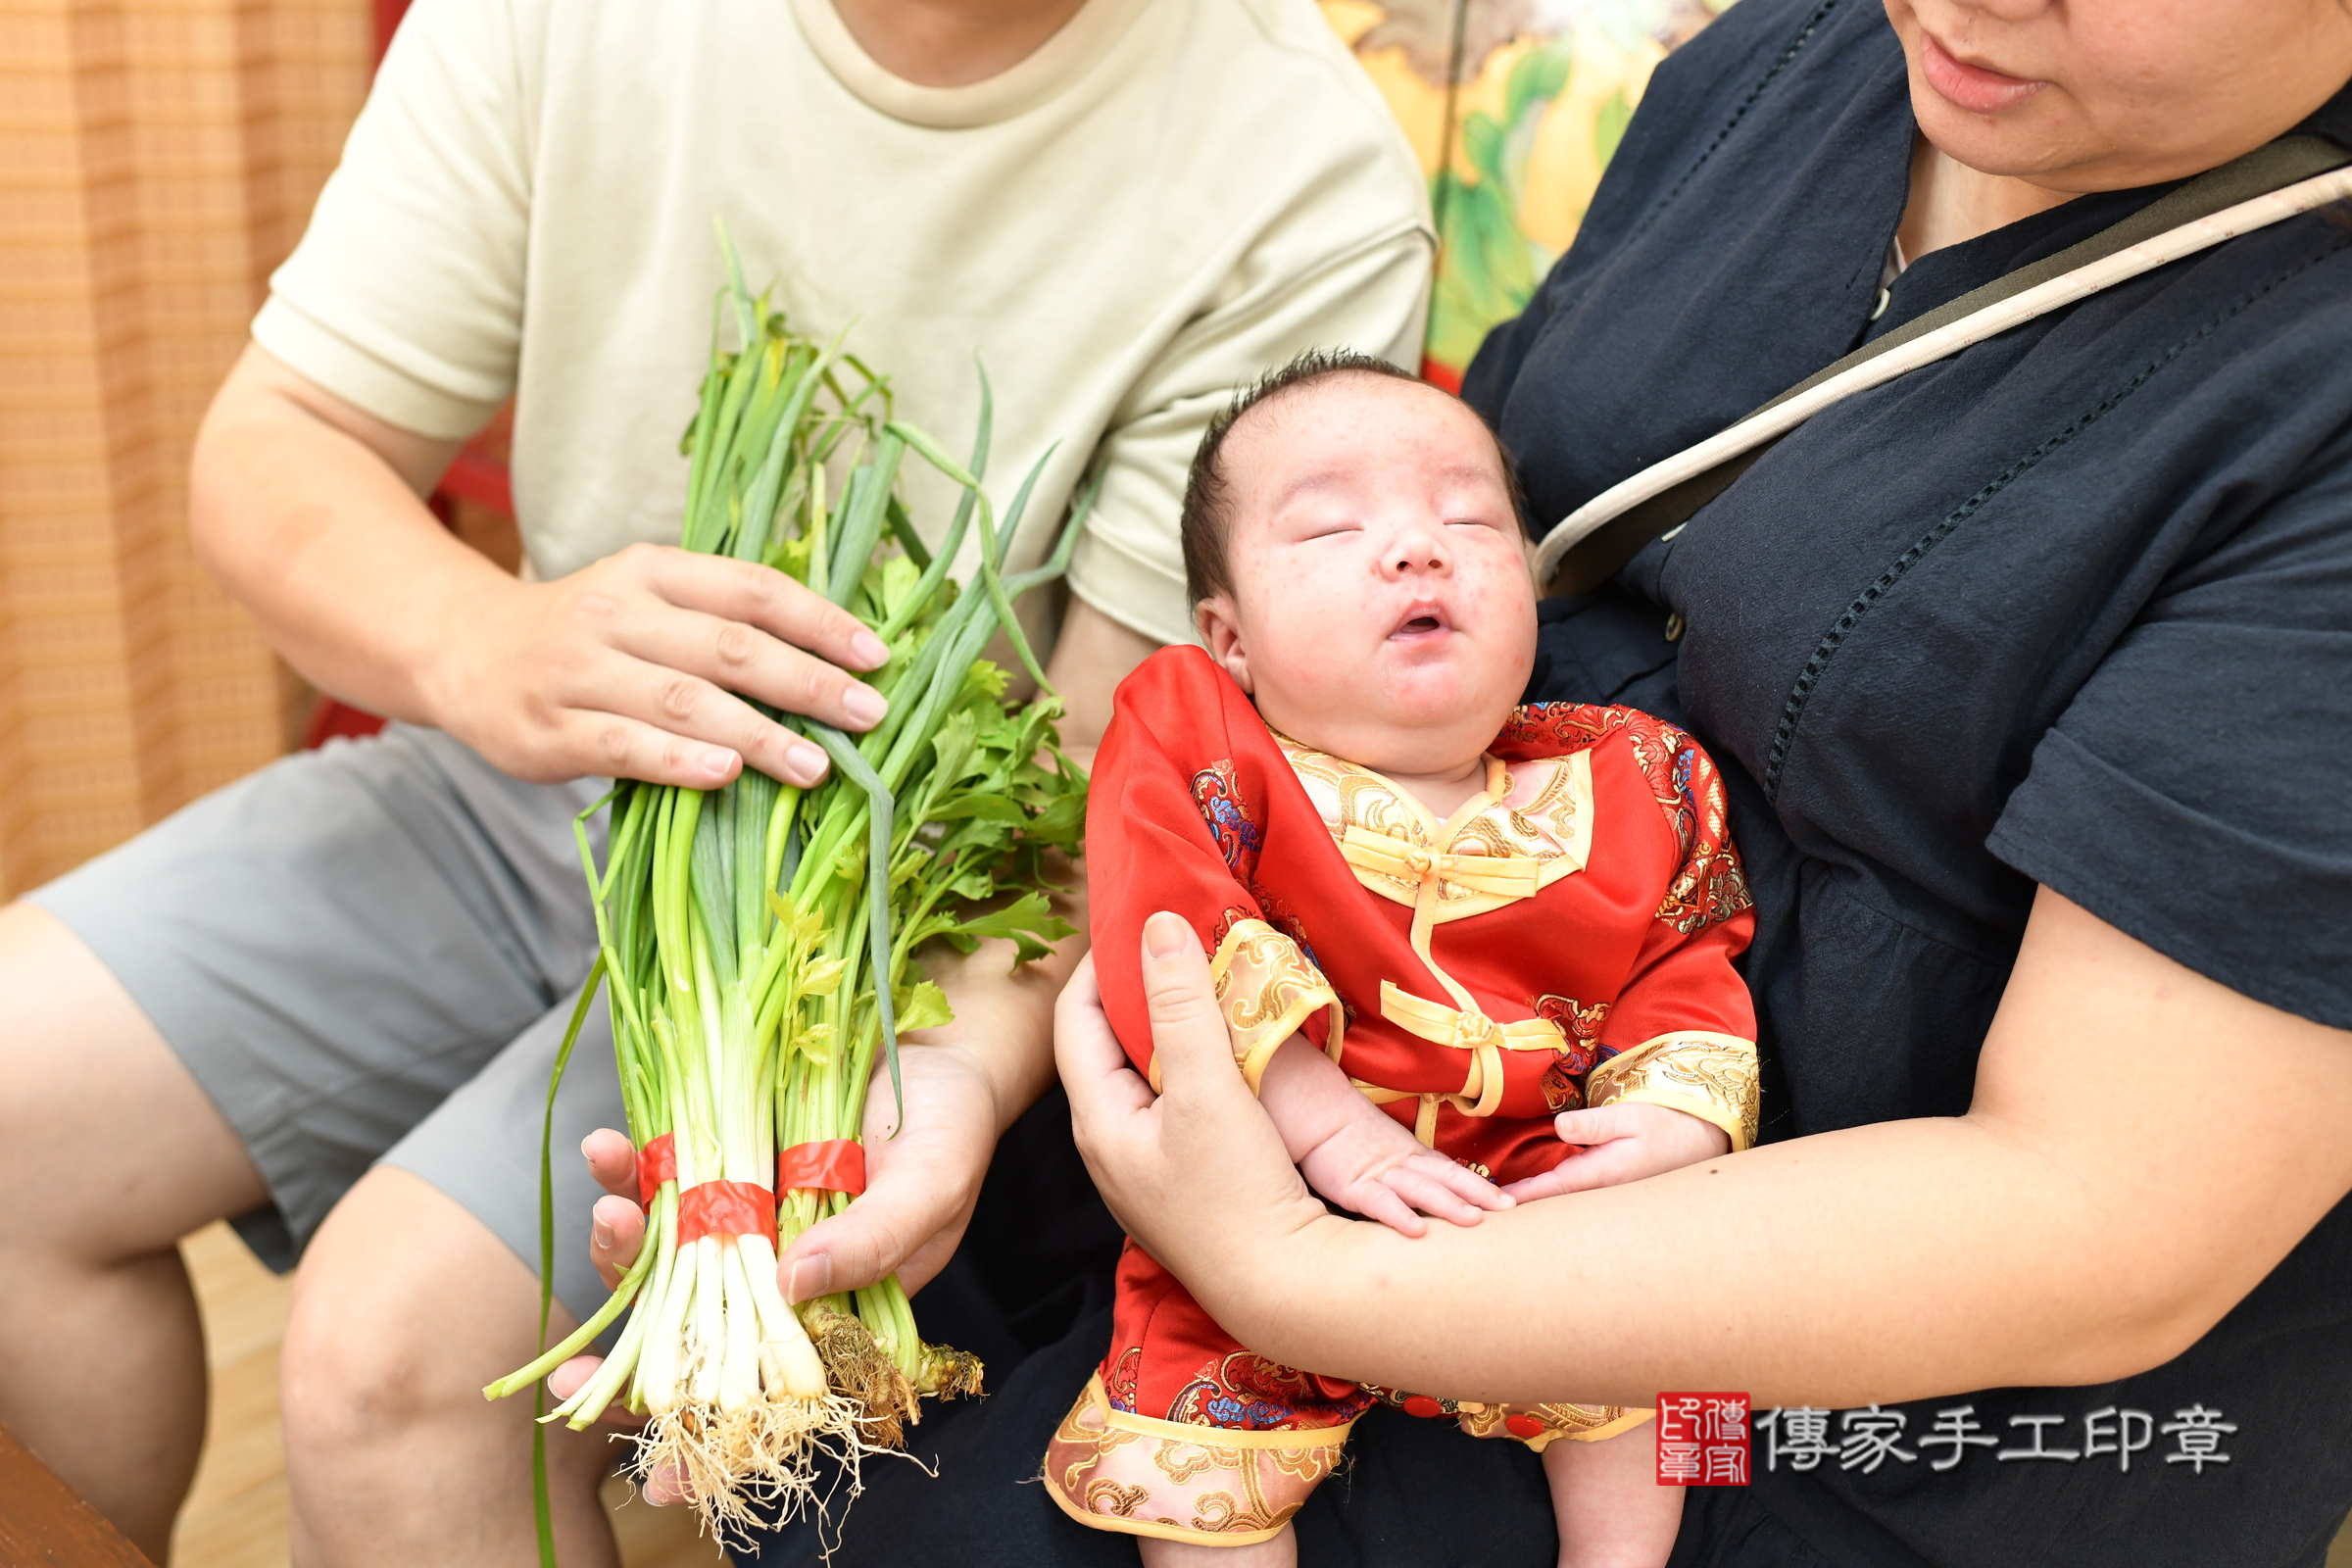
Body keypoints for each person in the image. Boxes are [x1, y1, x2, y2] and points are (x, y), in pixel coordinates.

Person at [588, 0, 2352, 1561]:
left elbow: (2107, 1218)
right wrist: (975, 1077)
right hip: (1371, 996)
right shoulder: (1799, 56)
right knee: (868, 1423)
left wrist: (1312, 1272)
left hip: (1827, 1327)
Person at [0, 0, 1434, 1558]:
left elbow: (1110, 796)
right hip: (534, 778)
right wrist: (490, 641)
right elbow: (283, 437)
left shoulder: (1293, 165)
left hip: (900, 915)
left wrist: (956, 1086)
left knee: (391, 1358)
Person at [1046, 354, 1763, 1566]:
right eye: (1330, 525)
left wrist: (1677, 1120)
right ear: (1227, 635)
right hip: (1256, 1191)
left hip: (1542, 1192)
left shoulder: (1641, 774)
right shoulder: (1192, 735)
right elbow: (1161, 919)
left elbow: (1690, 954)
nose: (1417, 548)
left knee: (1690, 1368)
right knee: (1193, 1456)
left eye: (1469, 517)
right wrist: (1321, 1125)